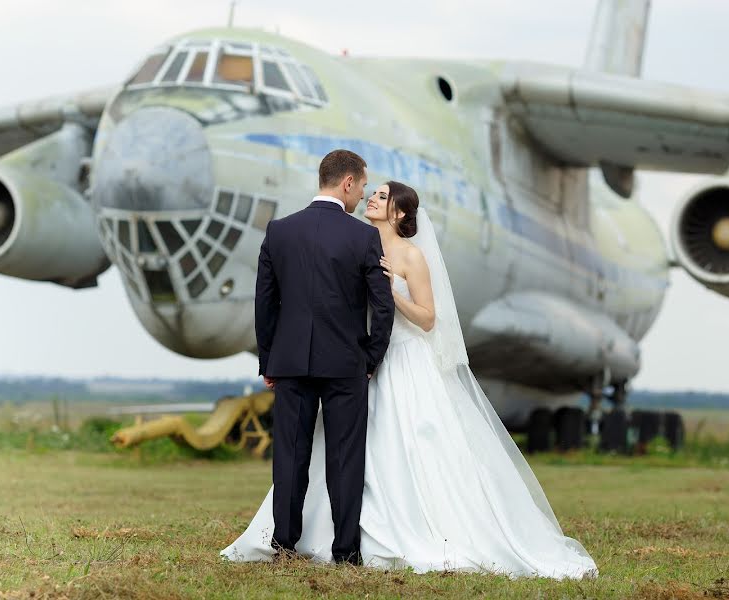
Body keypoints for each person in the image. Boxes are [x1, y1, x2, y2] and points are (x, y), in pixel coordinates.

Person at [224, 179, 598, 579]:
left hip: (401, 358)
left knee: (402, 445)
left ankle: (401, 531)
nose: (371, 199)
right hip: (358, 363)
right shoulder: (356, 241)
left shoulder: (411, 256)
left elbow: (428, 318)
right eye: (371, 193)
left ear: (400, 213)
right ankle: (334, 536)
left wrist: (390, 293)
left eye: (382, 197)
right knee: (343, 453)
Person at [250, 149, 395, 565]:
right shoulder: (363, 238)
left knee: (290, 458)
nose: (363, 193)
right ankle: (345, 551)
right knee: (345, 458)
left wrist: (268, 359)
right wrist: (371, 357)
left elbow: (265, 303)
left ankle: (284, 546)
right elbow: (381, 306)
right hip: (346, 363)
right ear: (347, 182)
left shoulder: (279, 231)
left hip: (290, 361)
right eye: (363, 185)